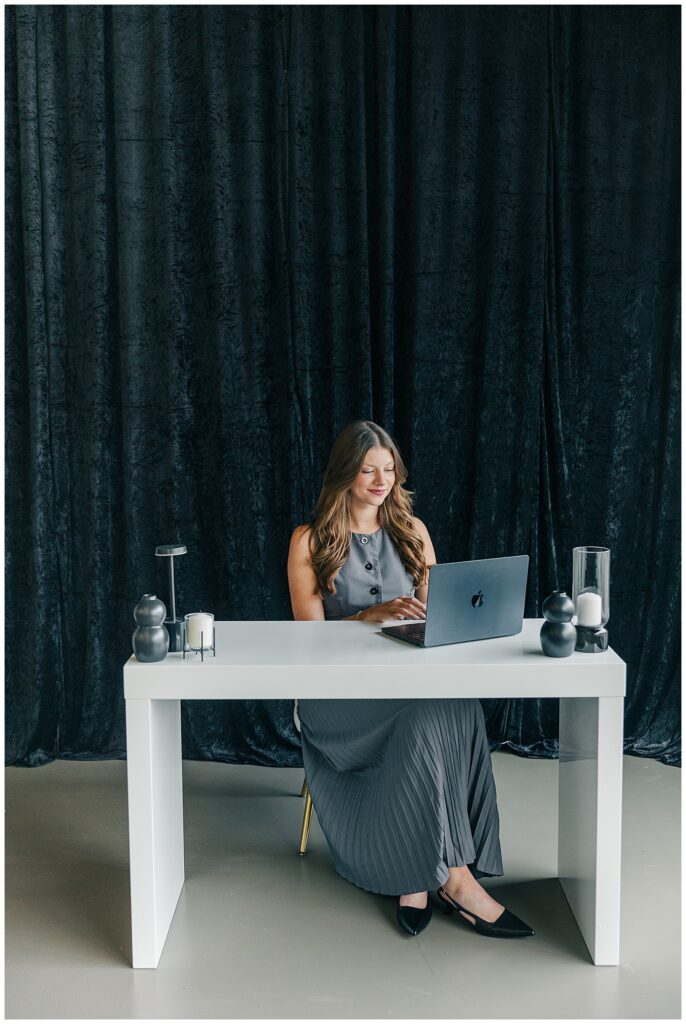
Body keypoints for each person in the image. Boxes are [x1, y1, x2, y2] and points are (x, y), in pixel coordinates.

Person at [287, 420, 534, 939]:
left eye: (388, 468)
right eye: (367, 470)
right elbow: (307, 639)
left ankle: (436, 873)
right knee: (428, 712)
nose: (381, 480)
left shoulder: (413, 531)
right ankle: (446, 879)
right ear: (345, 476)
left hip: (406, 681)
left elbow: (438, 612)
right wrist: (367, 617)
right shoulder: (308, 540)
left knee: (458, 705)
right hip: (337, 695)